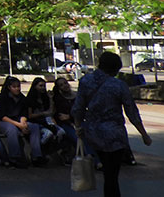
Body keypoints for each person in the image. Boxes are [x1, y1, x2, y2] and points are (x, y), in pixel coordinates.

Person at [73, 51, 153, 197]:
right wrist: (144, 134)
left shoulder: (85, 81)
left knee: (107, 171)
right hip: (114, 135)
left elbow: (78, 108)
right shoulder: (118, 85)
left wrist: (78, 126)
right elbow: (131, 112)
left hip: (93, 133)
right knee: (112, 175)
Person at [0, 76, 44, 167]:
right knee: (12, 129)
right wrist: (19, 125)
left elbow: (24, 113)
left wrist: (23, 123)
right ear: (9, 87)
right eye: (14, 87)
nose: (17, 89)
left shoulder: (22, 98)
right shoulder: (2, 98)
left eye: (18, 86)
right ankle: (15, 158)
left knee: (34, 127)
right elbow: (2, 116)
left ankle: (36, 156)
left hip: (18, 121)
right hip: (3, 122)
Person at [26, 76, 62, 160]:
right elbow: (30, 115)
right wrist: (42, 114)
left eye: (44, 86)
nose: (43, 88)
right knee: (48, 134)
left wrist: (51, 99)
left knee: (61, 132)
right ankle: (37, 150)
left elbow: (50, 111)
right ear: (35, 86)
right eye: (40, 86)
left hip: (46, 121)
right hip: (35, 122)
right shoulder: (30, 99)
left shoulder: (45, 98)